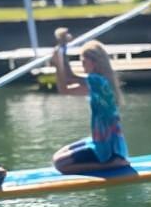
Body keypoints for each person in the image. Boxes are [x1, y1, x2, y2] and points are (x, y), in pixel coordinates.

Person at [50, 29, 130, 174]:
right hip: (101, 140)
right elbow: (65, 89)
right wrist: (60, 57)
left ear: (94, 63)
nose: (82, 66)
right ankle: (113, 159)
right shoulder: (99, 81)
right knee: (57, 156)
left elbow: (67, 78)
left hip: (108, 145)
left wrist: (61, 55)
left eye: (83, 62)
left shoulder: (98, 81)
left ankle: (112, 164)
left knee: (60, 165)